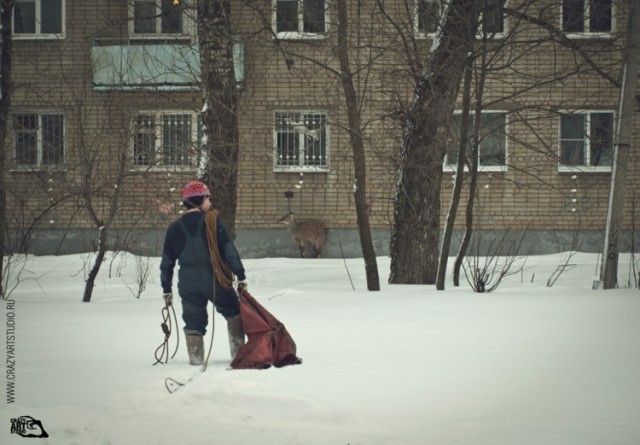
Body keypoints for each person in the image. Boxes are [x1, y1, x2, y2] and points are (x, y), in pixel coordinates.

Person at [160, 180, 248, 365]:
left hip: (187, 283)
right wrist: (240, 275)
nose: (210, 204)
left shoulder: (174, 229)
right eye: (208, 199)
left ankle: (196, 360)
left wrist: (166, 288)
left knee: (193, 320)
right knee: (234, 311)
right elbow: (228, 250)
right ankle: (238, 355)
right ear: (200, 200)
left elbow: (167, 262)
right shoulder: (213, 222)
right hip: (214, 279)